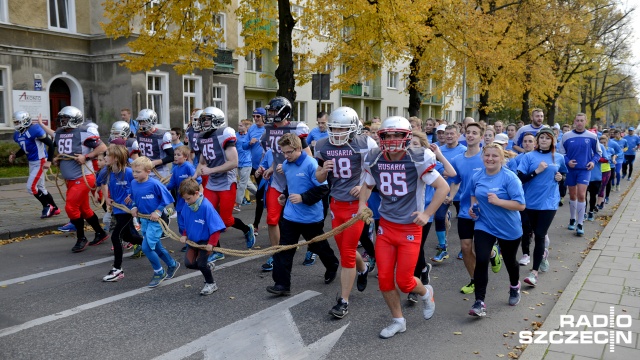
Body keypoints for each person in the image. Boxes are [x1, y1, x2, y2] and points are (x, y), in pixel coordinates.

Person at [358, 117, 446, 339]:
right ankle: (398, 320)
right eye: (388, 135)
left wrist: (427, 214)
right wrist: (361, 206)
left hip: (409, 227)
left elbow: (442, 187)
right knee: (385, 279)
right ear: (381, 137)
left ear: (406, 136)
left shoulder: (418, 158)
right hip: (386, 226)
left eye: (398, 134)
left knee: (405, 281)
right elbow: (367, 185)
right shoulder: (375, 156)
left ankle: (426, 293)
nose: (392, 139)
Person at [315, 107, 378, 319]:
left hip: (356, 205)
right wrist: (324, 170)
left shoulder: (365, 143)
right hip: (336, 203)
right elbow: (318, 177)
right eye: (334, 128)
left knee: (348, 254)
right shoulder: (323, 144)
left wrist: (363, 186)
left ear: (353, 129)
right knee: (345, 251)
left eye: (342, 128)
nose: (337, 132)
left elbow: (377, 172)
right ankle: (363, 268)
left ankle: (343, 300)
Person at [266, 133, 339, 296]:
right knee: (284, 249)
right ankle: (282, 285)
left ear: (299, 148)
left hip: (311, 218)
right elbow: (292, 184)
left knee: (318, 246)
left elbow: (324, 188)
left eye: (289, 152)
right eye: (284, 152)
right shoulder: (286, 164)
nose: (285, 156)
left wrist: (303, 198)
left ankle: (332, 265)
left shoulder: (311, 164)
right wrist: (285, 195)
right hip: (291, 216)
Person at [40, 106, 109, 252]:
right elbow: (61, 145)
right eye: (61, 119)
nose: (62, 121)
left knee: (71, 207)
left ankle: (81, 238)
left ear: (74, 119)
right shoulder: (60, 132)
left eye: (65, 118)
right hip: (70, 179)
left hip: (83, 177)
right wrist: (58, 159)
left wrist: (87, 156)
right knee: (84, 209)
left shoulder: (84, 132)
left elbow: (102, 147)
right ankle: (100, 232)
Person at [468, 144, 526, 316]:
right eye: (487, 155)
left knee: (510, 261)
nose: (490, 159)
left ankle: (515, 286)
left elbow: (521, 205)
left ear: (502, 159)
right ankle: (479, 302)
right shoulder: (477, 176)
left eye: (494, 156)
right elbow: (473, 193)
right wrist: (473, 208)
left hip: (509, 227)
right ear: (482, 157)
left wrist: (499, 201)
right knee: (482, 259)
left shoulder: (510, 178)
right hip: (484, 224)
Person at [196, 106, 256, 260]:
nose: (204, 122)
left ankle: (246, 229)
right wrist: (193, 176)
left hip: (226, 182)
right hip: (212, 183)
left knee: (226, 220)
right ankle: (217, 250)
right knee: (208, 215)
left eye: (207, 119)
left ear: (217, 119)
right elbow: (202, 162)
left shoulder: (224, 133)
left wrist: (211, 170)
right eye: (203, 119)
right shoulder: (202, 136)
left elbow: (234, 162)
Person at [450, 123, 502, 294]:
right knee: (465, 248)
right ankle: (474, 280)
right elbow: (456, 182)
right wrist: (449, 196)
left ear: (481, 137)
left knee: (481, 252)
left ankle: (493, 254)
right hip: (466, 210)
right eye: (468, 132)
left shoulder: (487, 157)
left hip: (486, 211)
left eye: (475, 133)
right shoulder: (458, 159)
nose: (471, 135)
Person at [259, 97, 311, 271]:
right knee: (272, 219)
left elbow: (308, 158)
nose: (270, 115)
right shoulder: (268, 130)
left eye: (273, 111)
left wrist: (290, 167)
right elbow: (276, 155)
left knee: (304, 223)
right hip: (278, 182)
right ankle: (277, 253)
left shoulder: (296, 128)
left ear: (283, 112)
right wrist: (271, 167)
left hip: (296, 182)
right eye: (270, 111)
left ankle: (315, 249)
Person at [517, 129, 567, 287]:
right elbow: (520, 179)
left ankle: (534, 273)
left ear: (553, 141)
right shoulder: (528, 157)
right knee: (528, 231)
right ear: (538, 140)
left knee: (539, 234)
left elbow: (563, 174)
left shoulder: (558, 157)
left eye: (548, 138)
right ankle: (543, 255)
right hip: (530, 202)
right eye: (542, 138)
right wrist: (536, 171)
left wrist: (561, 178)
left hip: (549, 202)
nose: (544, 140)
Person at [130, 156, 180, 288]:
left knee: (146, 247)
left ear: (148, 171)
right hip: (144, 219)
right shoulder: (133, 183)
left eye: (138, 171)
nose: (135, 174)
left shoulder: (155, 184)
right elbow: (134, 198)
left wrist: (158, 211)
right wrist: (134, 206)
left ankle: (159, 272)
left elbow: (167, 199)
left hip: (156, 220)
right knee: (156, 247)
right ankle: (172, 264)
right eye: (133, 171)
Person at [100, 144, 144, 282]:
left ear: (116, 158)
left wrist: (131, 195)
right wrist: (107, 196)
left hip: (128, 210)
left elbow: (140, 184)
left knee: (116, 236)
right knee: (128, 236)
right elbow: (103, 183)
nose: (105, 157)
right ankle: (148, 243)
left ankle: (117, 269)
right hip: (117, 209)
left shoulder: (129, 173)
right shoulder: (109, 172)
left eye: (107, 155)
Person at [178, 178, 226, 295]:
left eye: (188, 199)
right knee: (189, 263)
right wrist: (184, 235)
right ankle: (207, 267)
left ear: (196, 193)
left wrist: (212, 244)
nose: (187, 201)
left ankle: (211, 283)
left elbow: (216, 227)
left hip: (205, 241)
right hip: (193, 240)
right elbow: (186, 222)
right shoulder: (187, 205)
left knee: (201, 263)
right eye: (184, 199)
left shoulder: (206, 207)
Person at [558, 113, 601, 236]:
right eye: (577, 120)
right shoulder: (566, 136)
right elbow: (562, 153)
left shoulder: (592, 136)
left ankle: (580, 223)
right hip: (571, 170)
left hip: (584, 170)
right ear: (574, 121)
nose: (580, 123)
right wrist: (567, 162)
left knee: (581, 195)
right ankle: (572, 218)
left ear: (586, 121)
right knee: (572, 195)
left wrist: (593, 162)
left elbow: (598, 153)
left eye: (582, 120)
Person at [9, 111, 59, 218]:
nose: (16, 124)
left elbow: (50, 144)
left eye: (18, 122)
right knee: (40, 187)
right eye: (15, 122)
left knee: (31, 187)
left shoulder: (34, 130)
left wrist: (49, 161)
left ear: (25, 121)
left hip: (40, 160)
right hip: (32, 162)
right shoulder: (18, 134)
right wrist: (15, 156)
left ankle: (47, 206)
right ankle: (55, 208)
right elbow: (24, 148)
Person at [166, 145, 201, 252]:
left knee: (189, 222)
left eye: (178, 155)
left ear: (185, 157)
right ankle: (188, 242)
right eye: (175, 155)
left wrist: (189, 187)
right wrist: (161, 188)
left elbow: (198, 180)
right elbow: (172, 184)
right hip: (180, 201)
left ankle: (194, 242)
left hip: (189, 200)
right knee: (181, 223)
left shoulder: (188, 167)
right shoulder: (175, 169)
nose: (175, 157)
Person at [135, 109, 174, 180]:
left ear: (152, 121)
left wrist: (154, 163)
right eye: (140, 122)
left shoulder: (162, 135)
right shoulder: (139, 134)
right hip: (144, 170)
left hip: (160, 171)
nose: (141, 124)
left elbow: (171, 157)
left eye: (144, 121)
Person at [236, 119, 257, 211]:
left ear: (246, 127)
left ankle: (237, 204)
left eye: (241, 126)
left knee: (242, 184)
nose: (239, 127)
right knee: (247, 184)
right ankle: (262, 196)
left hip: (247, 163)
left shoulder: (249, 136)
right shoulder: (235, 135)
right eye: (239, 125)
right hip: (237, 162)